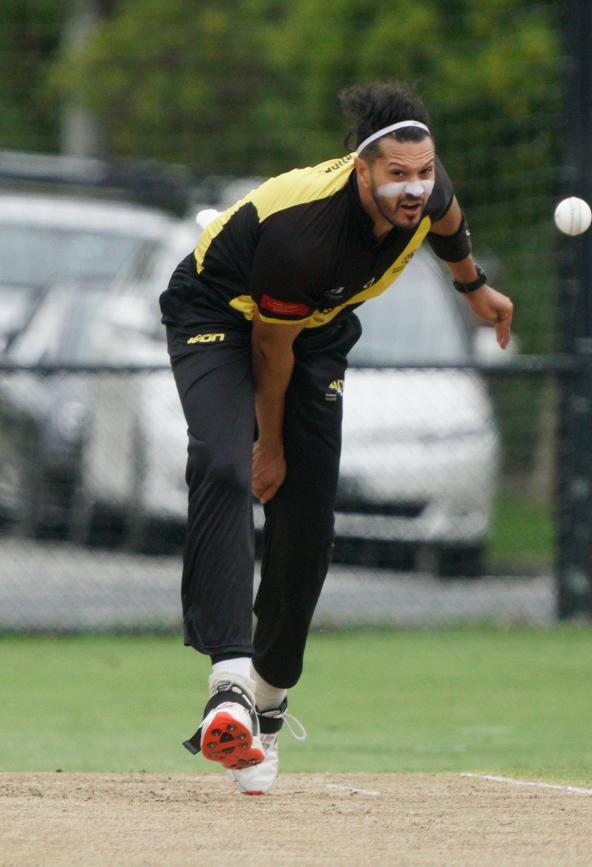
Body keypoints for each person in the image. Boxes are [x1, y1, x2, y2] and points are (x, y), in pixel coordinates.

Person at [159, 81, 513, 795]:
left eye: (421, 172)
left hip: (310, 331)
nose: (412, 189)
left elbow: (449, 222)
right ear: (362, 169)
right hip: (222, 314)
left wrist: (473, 288)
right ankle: (227, 679)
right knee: (225, 464)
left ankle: (264, 704)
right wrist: (271, 442)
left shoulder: (428, 188)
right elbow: (267, 349)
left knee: (309, 523)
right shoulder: (305, 235)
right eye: (395, 176)